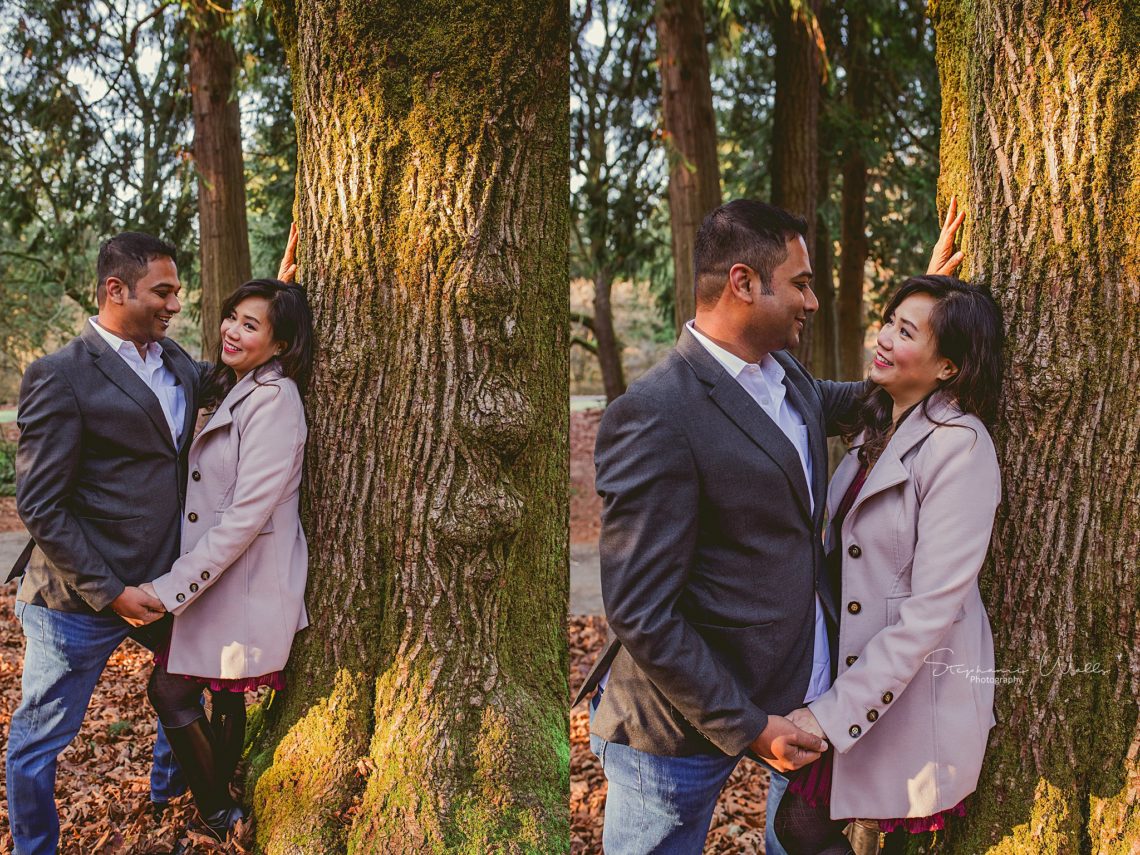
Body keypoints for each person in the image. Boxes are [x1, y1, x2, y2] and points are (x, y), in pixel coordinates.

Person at [573, 200, 866, 854]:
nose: (812, 301)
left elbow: (859, 399)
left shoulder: (787, 376)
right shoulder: (653, 413)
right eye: (801, 282)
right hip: (675, 729)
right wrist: (750, 725)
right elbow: (641, 609)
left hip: (802, 696)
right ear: (743, 282)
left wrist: (921, 327)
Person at [773, 275, 1003, 855]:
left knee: (807, 828)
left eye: (905, 331)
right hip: (851, 671)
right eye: (889, 320)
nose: (883, 337)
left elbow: (930, 611)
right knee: (796, 828)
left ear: (949, 367)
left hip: (906, 693)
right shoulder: (879, 423)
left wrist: (830, 716)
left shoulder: (961, 446)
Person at [5, 233, 202, 855]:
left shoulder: (175, 361)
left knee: (188, 687)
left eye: (176, 291)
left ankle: (167, 801)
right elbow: (40, 504)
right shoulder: (58, 375)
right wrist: (111, 592)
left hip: (164, 584)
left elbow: (233, 364)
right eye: (162, 291)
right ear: (116, 290)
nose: (174, 304)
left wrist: (277, 296)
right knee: (40, 738)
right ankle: (36, 847)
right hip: (75, 599)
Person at [140, 277, 313, 844]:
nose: (231, 331)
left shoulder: (276, 402)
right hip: (220, 579)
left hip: (240, 581)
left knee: (172, 691)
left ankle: (217, 809)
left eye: (250, 324)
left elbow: (243, 516)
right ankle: (222, 802)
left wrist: (171, 589)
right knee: (218, 692)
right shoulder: (239, 384)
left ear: (281, 344)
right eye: (231, 316)